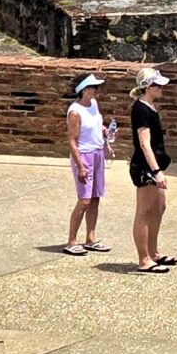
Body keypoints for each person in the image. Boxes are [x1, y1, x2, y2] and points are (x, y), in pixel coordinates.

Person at [129, 67, 176, 273]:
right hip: (145, 167)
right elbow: (144, 143)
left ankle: (153, 252)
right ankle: (144, 259)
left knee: (159, 207)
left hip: (155, 165)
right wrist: (156, 171)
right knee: (145, 210)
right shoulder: (140, 109)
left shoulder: (150, 107)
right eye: (158, 85)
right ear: (149, 87)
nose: (161, 88)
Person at [64, 73, 112, 256]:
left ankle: (90, 238)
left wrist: (103, 130)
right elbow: (72, 141)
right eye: (94, 87)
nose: (97, 90)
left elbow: (94, 124)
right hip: (83, 156)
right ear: (84, 89)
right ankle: (71, 241)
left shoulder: (93, 105)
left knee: (95, 198)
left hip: (97, 153)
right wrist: (81, 166)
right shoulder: (75, 112)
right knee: (84, 200)